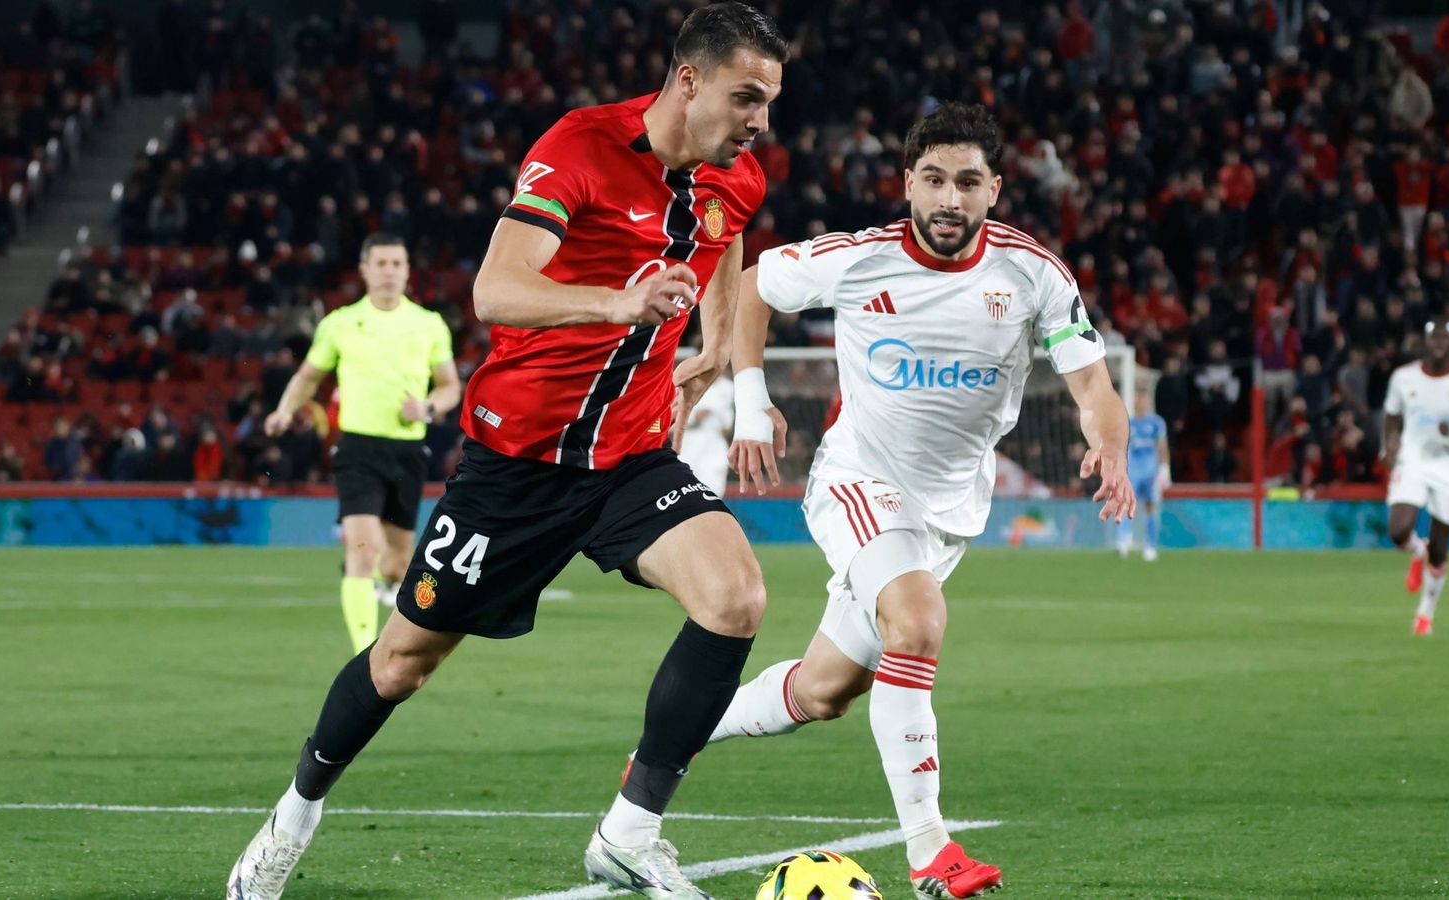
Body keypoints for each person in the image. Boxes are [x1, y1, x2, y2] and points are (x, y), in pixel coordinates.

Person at [227, 5, 787, 899]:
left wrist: (714, 345)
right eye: (747, 97)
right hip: (515, 466)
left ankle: (630, 832)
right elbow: (496, 288)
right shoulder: (580, 147)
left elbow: (727, 245)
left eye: (770, 101)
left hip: (630, 459)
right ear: (689, 80)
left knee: (736, 598)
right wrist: (617, 304)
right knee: (402, 662)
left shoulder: (739, 176)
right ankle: (293, 815)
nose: (760, 120)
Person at [711, 102, 1134, 900]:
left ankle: (681, 732)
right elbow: (754, 285)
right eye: (934, 179)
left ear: (995, 189)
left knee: (824, 691)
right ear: (907, 183)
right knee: (918, 620)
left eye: (968, 182)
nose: (950, 199)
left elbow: (1092, 385)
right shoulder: (859, 259)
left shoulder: (1035, 274)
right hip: (858, 482)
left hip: (946, 516)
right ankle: (931, 853)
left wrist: (1108, 442)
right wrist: (748, 396)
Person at [262, 233, 461, 652]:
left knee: (396, 564)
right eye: (381, 263)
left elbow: (449, 388)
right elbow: (307, 377)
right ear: (365, 270)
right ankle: (364, 657)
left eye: (396, 264)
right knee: (364, 553)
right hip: (357, 450)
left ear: (407, 271)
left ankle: (380, 591)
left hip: (406, 451)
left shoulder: (428, 325)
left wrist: (426, 408)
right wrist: (284, 411)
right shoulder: (339, 323)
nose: (389, 271)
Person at [1382, 319, 1449, 636]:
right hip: (1413, 458)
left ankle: (1425, 614)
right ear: (1425, 341)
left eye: (1446, 338)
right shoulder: (1403, 377)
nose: (1439, 343)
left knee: (1440, 549)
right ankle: (1416, 549)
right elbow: (1392, 415)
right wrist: (1390, 445)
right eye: (1434, 337)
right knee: (1398, 530)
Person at [1117, 390, 1170, 561]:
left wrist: (1165, 468)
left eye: (1142, 398)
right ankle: (1124, 540)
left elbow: (1162, 445)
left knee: (1150, 506)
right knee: (1126, 504)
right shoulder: (1127, 423)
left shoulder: (1156, 423)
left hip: (1150, 472)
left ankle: (1150, 547)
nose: (1140, 402)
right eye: (1137, 398)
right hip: (1133, 471)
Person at [676, 366, 734, 495]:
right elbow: (670, 422)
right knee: (686, 488)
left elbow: (728, 426)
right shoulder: (686, 384)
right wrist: (695, 419)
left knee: (715, 490)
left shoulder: (729, 388)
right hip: (690, 442)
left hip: (715, 443)